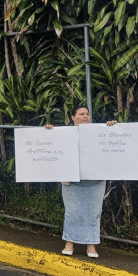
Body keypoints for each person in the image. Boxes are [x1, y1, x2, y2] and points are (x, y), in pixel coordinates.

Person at [45, 106, 117, 258]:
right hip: (72, 180)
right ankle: (69, 243)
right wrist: (49, 131)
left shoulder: (100, 131)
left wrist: (111, 127)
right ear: (73, 117)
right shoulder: (64, 133)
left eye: (87, 114)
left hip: (94, 180)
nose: (85, 116)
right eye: (81, 114)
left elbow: (111, 139)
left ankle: (91, 246)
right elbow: (51, 143)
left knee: (94, 212)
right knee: (72, 212)